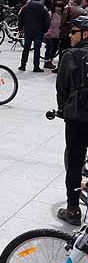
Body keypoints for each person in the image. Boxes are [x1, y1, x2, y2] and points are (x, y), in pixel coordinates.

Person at [55, 14, 88, 225]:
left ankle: (73, 209)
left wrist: (62, 109)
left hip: (77, 117)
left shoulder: (71, 56)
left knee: (75, 163)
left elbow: (62, 88)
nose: (71, 35)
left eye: (74, 32)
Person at [18, 0, 51, 72]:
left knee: (26, 48)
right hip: (38, 31)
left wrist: (20, 28)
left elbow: (21, 18)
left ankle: (23, 65)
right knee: (37, 49)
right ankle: (36, 66)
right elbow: (47, 21)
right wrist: (45, 30)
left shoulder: (26, 7)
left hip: (28, 30)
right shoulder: (43, 8)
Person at [45, 1, 64, 72]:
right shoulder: (51, 14)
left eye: (60, 7)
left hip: (58, 34)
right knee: (49, 48)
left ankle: (50, 60)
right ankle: (47, 62)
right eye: (57, 6)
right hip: (51, 34)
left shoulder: (63, 14)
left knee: (55, 48)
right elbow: (47, 24)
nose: (58, 8)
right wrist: (48, 32)